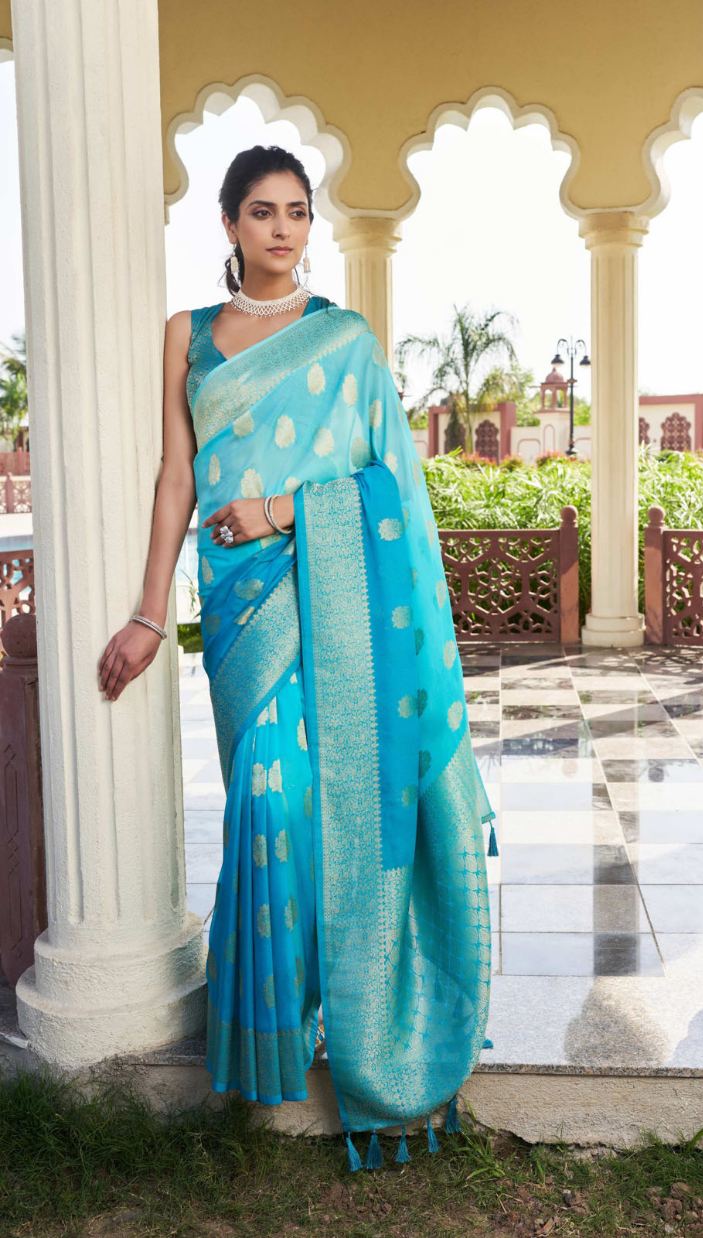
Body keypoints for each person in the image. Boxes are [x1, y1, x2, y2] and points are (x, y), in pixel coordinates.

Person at [97, 144, 497, 1172]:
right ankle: (272, 1039)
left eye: (297, 211)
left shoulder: (346, 343)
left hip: (335, 598)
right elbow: (173, 477)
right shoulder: (186, 336)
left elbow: (391, 492)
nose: (282, 228)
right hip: (240, 611)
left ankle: (342, 1007)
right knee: (267, 800)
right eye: (262, 211)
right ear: (230, 225)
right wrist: (150, 613)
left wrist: (280, 507)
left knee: (329, 798)